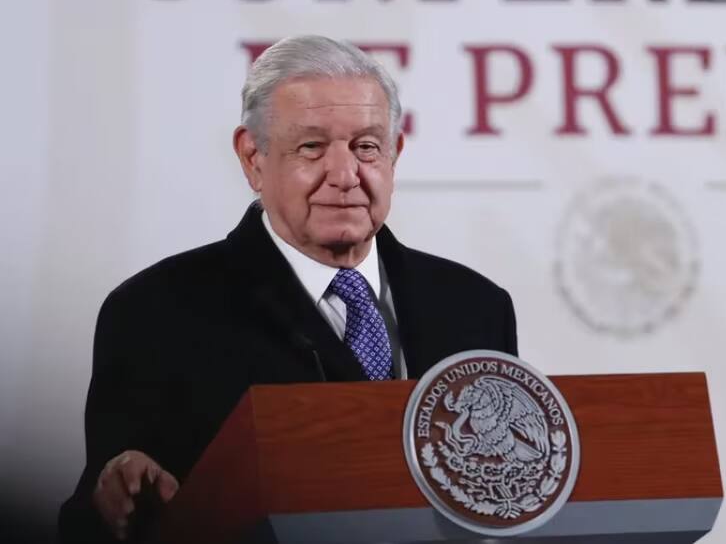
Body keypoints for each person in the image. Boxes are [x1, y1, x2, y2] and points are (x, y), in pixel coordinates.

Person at [58, 36, 518, 543]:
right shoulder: (155, 312)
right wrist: (113, 499)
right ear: (252, 158)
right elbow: (95, 516)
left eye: (366, 147)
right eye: (311, 147)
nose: (345, 175)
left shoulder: (476, 307)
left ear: (395, 155)